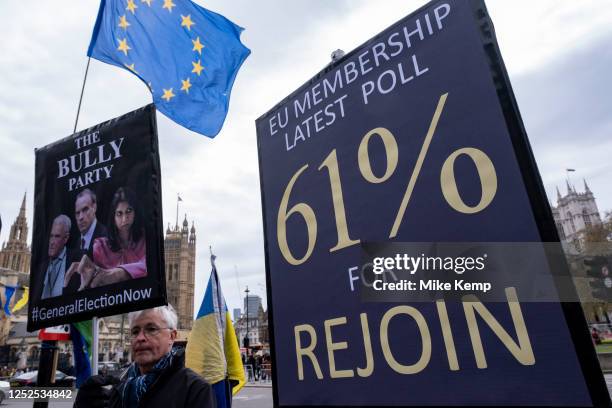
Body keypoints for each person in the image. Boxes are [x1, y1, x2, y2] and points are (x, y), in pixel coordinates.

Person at [74, 305, 215, 408]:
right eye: (135, 331)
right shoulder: (118, 385)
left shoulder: (195, 389)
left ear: (172, 336)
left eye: (151, 329)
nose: (140, 338)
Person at [66, 187, 147, 290]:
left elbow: (151, 267)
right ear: (113, 216)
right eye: (119, 213)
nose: (124, 219)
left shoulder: (146, 239)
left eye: (129, 211)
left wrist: (118, 274)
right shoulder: (100, 247)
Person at [37, 215, 80, 299]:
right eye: (51, 236)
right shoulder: (40, 267)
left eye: (57, 236)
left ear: (66, 238)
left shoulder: (76, 259)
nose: (52, 242)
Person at [74, 188, 107, 257]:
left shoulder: (106, 236)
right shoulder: (78, 241)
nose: (80, 217)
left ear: (94, 208)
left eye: (85, 209)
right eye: (77, 213)